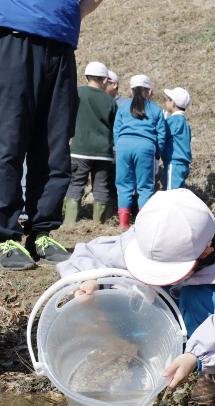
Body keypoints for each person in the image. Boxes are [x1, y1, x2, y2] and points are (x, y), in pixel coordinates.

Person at [56, 188, 215, 406]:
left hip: (208, 333)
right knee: (124, 288)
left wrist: (198, 357)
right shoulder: (146, 238)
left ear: (205, 253)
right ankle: (149, 353)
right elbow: (91, 254)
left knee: (196, 294)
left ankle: (213, 370)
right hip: (159, 320)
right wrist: (89, 279)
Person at [0, 0, 105, 270]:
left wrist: (68, 13)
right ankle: (3, 234)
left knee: (54, 146)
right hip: (13, 33)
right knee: (8, 140)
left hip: (62, 43)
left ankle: (41, 233)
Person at [64, 61, 117, 227]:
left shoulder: (77, 94)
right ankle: (98, 224)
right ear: (103, 80)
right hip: (104, 152)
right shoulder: (110, 101)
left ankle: (69, 223)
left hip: (79, 149)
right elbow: (115, 126)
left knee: (76, 183)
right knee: (101, 187)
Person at [113, 75, 167, 229]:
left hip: (123, 145)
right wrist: (157, 153)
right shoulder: (156, 109)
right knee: (145, 186)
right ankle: (143, 224)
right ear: (149, 91)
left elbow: (116, 130)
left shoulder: (123, 107)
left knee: (123, 185)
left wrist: (119, 146)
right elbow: (161, 135)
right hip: (145, 147)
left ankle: (123, 224)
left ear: (131, 90)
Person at [162, 87, 193, 190]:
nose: (166, 102)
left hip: (174, 163)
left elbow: (163, 135)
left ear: (173, 103)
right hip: (182, 164)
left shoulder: (173, 120)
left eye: (167, 99)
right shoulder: (184, 122)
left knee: (171, 195)